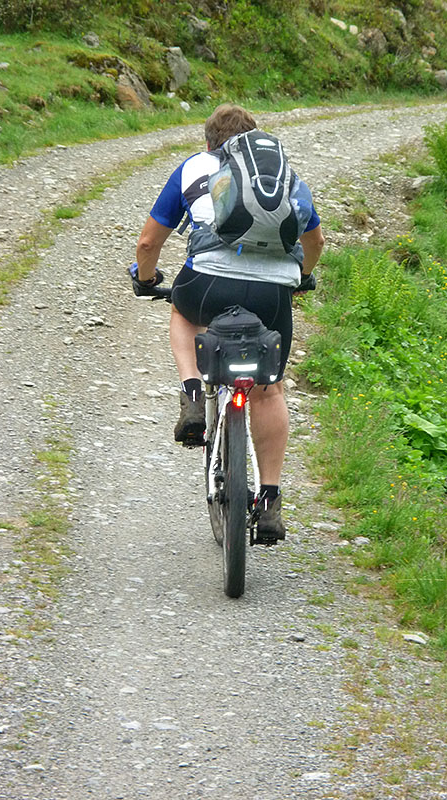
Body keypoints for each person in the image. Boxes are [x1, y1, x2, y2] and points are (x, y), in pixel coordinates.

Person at [131, 103, 324, 539]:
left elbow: (148, 242)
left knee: (182, 314)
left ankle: (193, 394)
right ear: (254, 142)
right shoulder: (283, 177)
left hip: (208, 285)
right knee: (268, 389)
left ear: (208, 142)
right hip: (273, 294)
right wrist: (302, 278)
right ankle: (270, 501)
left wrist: (146, 280)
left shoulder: (193, 168)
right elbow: (315, 241)